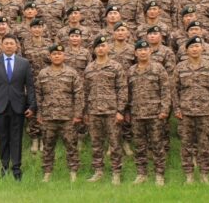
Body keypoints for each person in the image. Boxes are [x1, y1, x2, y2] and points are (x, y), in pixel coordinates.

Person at [172, 36, 209, 185]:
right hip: (185, 113)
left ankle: (204, 174)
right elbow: (174, 90)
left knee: (205, 144)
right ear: (186, 50)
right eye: (191, 47)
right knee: (186, 145)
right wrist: (176, 108)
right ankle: (189, 175)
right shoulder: (180, 67)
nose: (194, 49)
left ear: (202, 48)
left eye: (197, 46)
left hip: (206, 112)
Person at [0, 34, 36, 181]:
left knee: (16, 138)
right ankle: (4, 167)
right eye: (6, 43)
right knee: (3, 138)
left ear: (16, 46)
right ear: (1, 46)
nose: (9, 46)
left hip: (18, 106)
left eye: (11, 43)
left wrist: (32, 106)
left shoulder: (24, 63)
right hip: (0, 107)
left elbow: (30, 86)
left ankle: (16, 168)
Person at [83, 36, 127, 185]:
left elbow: (122, 89)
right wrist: (86, 112)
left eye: (103, 46)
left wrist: (120, 111)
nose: (100, 49)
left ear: (108, 48)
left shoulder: (116, 67)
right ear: (94, 50)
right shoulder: (89, 68)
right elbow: (85, 91)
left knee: (115, 144)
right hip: (94, 111)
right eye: (98, 46)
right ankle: (98, 171)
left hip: (111, 111)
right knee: (96, 144)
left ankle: (116, 173)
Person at [35, 44, 83, 183]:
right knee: (47, 146)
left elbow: (79, 94)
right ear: (50, 56)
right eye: (54, 54)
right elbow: (38, 95)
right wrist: (39, 113)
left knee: (71, 146)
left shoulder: (71, 73)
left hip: (68, 117)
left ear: (64, 56)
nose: (57, 56)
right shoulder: (43, 73)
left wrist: (78, 114)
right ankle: (47, 173)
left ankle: (73, 172)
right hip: (48, 116)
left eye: (59, 54)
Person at [128, 40, 171, 186]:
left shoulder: (158, 68)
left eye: (145, 49)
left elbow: (166, 90)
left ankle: (159, 175)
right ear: (135, 53)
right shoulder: (131, 71)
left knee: (157, 146)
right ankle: (142, 174)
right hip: (137, 114)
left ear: (150, 51)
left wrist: (165, 110)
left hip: (155, 114)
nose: (143, 52)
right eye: (140, 50)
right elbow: (128, 93)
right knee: (139, 146)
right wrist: (127, 111)